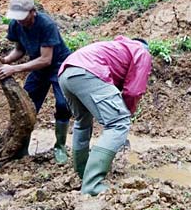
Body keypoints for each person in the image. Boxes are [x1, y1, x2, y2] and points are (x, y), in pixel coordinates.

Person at [57, 36, 152, 195]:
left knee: (83, 120)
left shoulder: (118, 48)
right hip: (89, 71)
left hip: (66, 72)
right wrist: (125, 113)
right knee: (118, 124)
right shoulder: (142, 52)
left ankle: (82, 171)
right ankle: (92, 185)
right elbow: (134, 91)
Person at [0, 0, 72, 164]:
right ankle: (22, 148)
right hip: (38, 67)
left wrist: (13, 68)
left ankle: (60, 146)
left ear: (33, 11)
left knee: (62, 104)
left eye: (23, 17)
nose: (20, 21)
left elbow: (46, 59)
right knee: (27, 106)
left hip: (59, 65)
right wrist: (6, 59)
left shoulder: (46, 25)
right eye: (17, 18)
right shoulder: (16, 24)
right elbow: (20, 49)